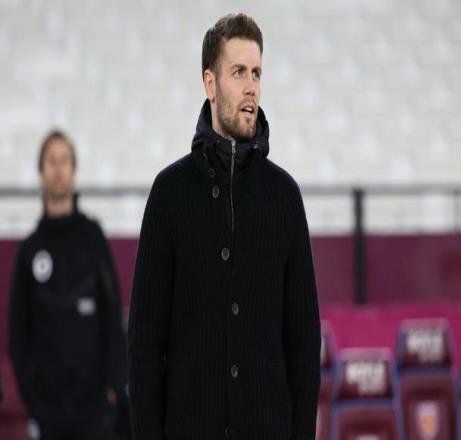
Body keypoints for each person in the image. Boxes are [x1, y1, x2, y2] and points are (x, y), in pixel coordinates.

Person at [128, 13, 321, 440]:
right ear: (210, 83)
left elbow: (304, 349)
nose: (252, 86)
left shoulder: (285, 197)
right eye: (238, 72)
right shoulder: (169, 193)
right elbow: (144, 347)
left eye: (257, 73)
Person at [8, 130, 126, 439]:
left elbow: (113, 314)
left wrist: (112, 387)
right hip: (48, 411)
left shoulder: (93, 237)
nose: (58, 168)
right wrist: (32, 401)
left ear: (74, 170)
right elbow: (17, 335)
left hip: (95, 409)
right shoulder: (30, 250)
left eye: (65, 160)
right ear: (41, 172)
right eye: (51, 161)